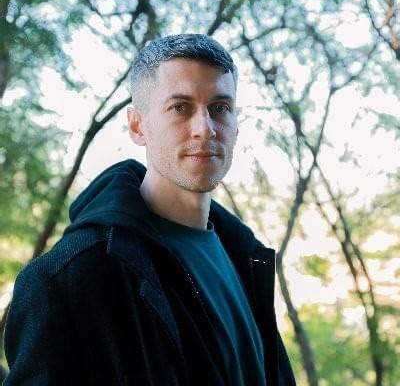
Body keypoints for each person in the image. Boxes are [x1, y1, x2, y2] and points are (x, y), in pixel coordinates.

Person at [4, 34, 296, 385]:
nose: (205, 129)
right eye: (180, 107)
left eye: (220, 108)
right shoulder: (65, 281)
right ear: (137, 126)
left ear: (236, 123)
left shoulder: (246, 255)